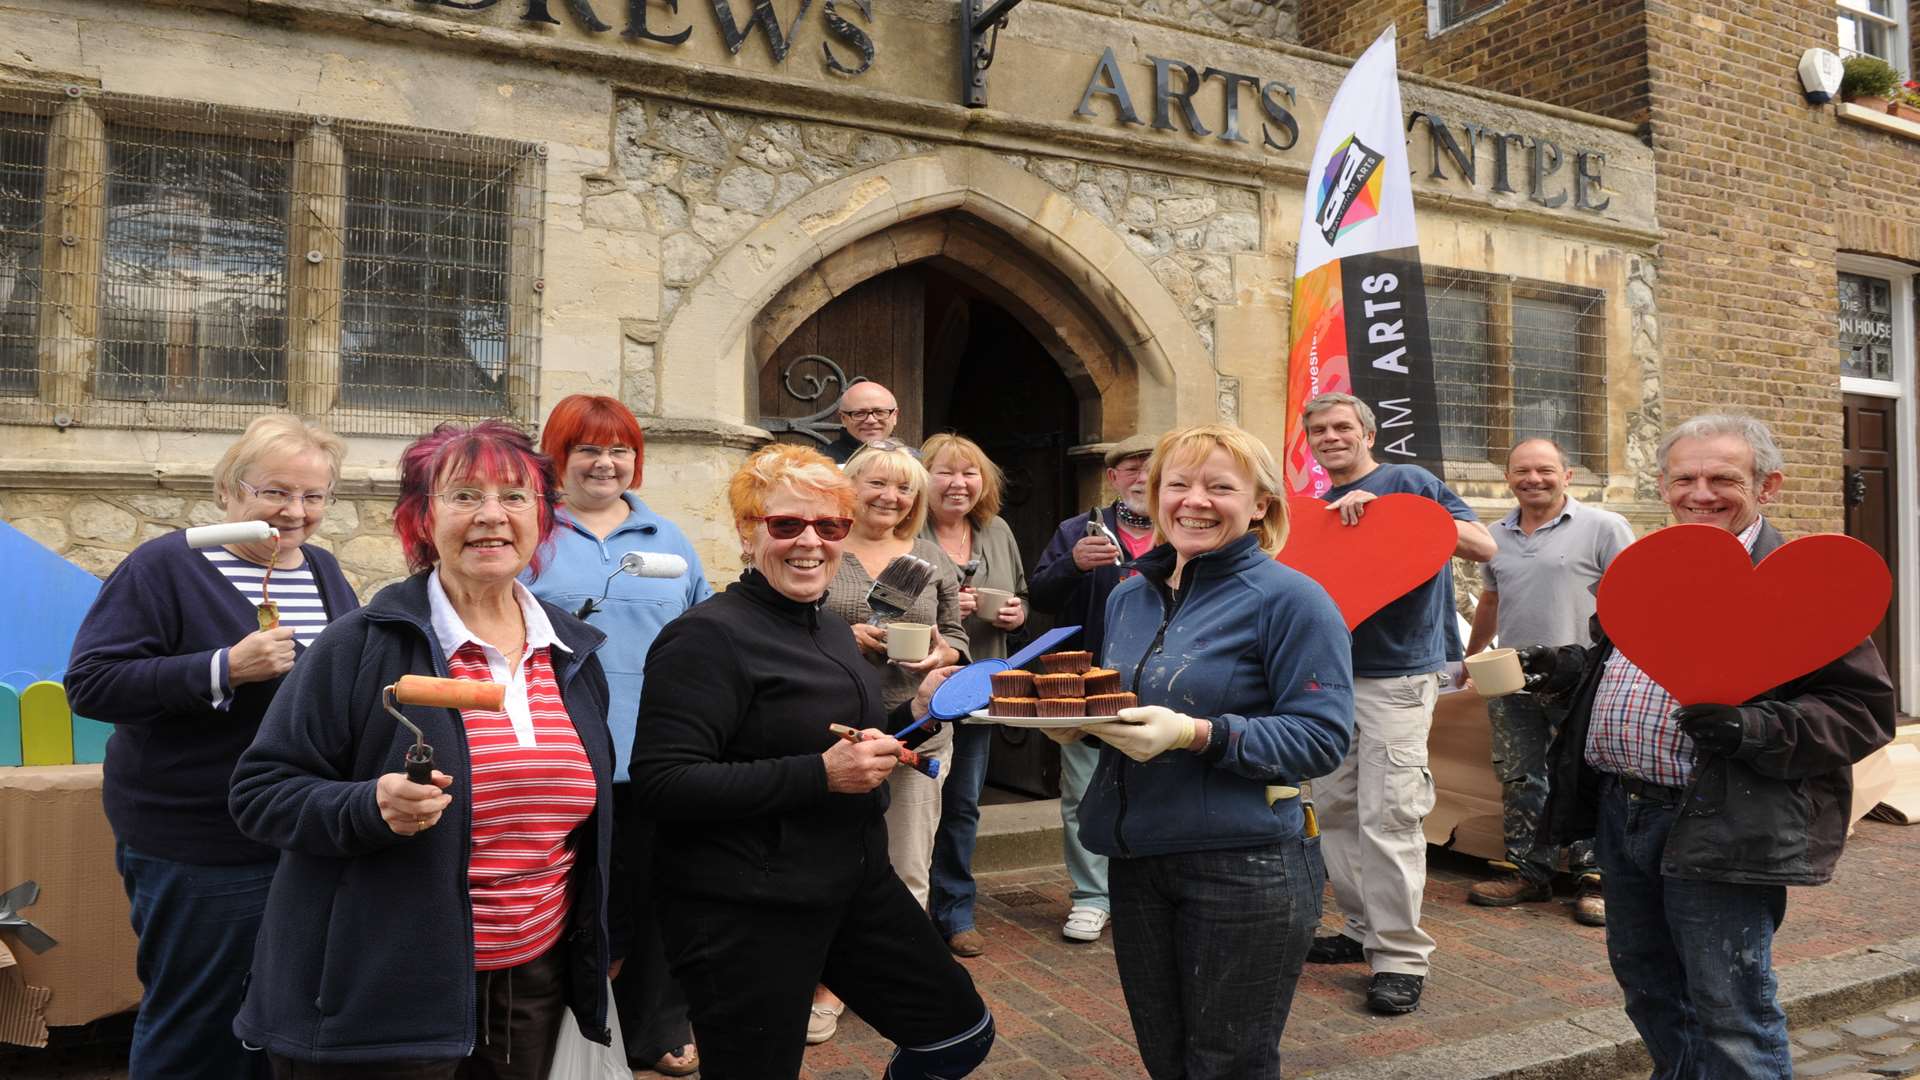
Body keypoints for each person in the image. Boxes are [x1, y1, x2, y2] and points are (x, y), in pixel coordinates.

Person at [230, 421, 617, 1079]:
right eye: (463, 495)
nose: (490, 515)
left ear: (543, 517)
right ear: (422, 518)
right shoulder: (361, 646)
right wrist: (368, 807)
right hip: (380, 992)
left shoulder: (571, 653)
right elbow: (260, 794)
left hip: (528, 985)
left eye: (514, 496)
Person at [1529, 414, 1895, 1078]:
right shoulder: (1649, 568)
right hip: (1622, 811)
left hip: (1720, 821)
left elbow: (1862, 712)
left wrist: (1757, 731)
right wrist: (1572, 669)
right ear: (1665, 486)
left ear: (1768, 485)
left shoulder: (1804, 585)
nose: (1701, 493)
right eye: (1684, 478)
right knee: (1649, 988)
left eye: (1723, 477)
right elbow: (1631, 666)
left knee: (1731, 1011)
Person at [628, 443, 995, 1080]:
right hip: (746, 907)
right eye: (786, 523)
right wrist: (820, 775)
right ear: (748, 532)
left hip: (853, 884)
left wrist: (923, 711)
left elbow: (843, 736)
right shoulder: (706, 637)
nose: (810, 541)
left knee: (958, 1035)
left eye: (829, 527)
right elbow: (665, 783)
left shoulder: (825, 624)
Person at [64, 414, 358, 1080]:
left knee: (273, 1016)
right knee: (200, 1023)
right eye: (275, 492)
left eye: (314, 496)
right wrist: (221, 667)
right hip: (201, 841)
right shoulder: (166, 566)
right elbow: (91, 684)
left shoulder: (323, 571)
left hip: (298, 832)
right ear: (229, 491)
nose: (295, 512)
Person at [1058, 424, 1353, 1080]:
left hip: (1244, 865)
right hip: (1137, 861)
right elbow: (1131, 702)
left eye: (1221, 486)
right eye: (1178, 483)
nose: (1195, 500)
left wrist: (1199, 733)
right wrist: (1079, 723)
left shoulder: (1292, 601)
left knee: (1227, 1065)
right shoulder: (1130, 594)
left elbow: (1323, 738)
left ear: (1260, 506)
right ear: (1155, 495)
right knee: (1167, 1059)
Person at [526, 394, 710, 1077]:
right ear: (558, 459)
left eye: (619, 450)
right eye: (589, 450)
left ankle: (654, 1027)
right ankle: (564, 1027)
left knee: (657, 894)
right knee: (573, 897)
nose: (606, 463)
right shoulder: (533, 534)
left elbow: (701, 633)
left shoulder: (669, 539)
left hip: (658, 751)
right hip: (565, 750)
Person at [1300, 391, 1495, 1016]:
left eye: (1342, 427)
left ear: (1367, 432)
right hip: (1327, 679)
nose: (1331, 437)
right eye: (1319, 430)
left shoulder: (1408, 479)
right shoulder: (1310, 510)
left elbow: (1483, 545)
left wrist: (1390, 510)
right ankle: (1362, 930)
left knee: (1390, 815)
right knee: (1334, 810)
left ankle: (1401, 958)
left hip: (1398, 677)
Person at [1462, 437, 1633, 926]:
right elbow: (1490, 602)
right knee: (1520, 776)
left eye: (1544, 470)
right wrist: (1472, 657)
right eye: (1522, 471)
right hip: (1513, 677)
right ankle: (1528, 872)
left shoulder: (1603, 526)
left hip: (1584, 676)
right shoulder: (1494, 535)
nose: (1533, 479)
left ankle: (1595, 878)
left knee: (1584, 774)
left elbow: (1633, 597)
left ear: (1568, 475)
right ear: (1508, 478)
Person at [1026, 431, 1156, 943]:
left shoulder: (1185, 526)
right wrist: (1072, 563)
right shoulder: (1078, 528)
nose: (1142, 477)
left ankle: (1143, 891)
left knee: (1153, 789)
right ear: (1113, 477)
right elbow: (1040, 594)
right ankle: (1090, 897)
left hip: (1159, 683)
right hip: (1084, 683)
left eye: (1152, 467)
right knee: (1082, 793)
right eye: (1131, 468)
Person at [920, 433, 1028, 958]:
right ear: (924, 477)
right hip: (919, 690)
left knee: (962, 805)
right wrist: (943, 615)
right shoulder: (905, 531)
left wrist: (1017, 613)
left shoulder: (998, 530)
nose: (957, 483)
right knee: (913, 805)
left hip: (980, 690)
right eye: (944, 471)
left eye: (969, 473)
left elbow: (1021, 594)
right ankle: (907, 910)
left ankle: (956, 910)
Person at [824, 379, 902, 463]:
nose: (871, 420)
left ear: (894, 416)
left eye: (879, 412)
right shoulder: (824, 465)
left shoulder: (913, 461)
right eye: (860, 413)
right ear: (843, 418)